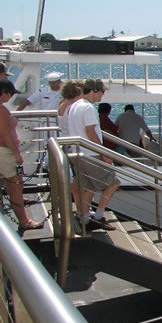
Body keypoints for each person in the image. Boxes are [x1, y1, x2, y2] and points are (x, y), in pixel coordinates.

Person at [66, 79, 119, 231]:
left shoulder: (75, 106)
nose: (103, 95)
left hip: (78, 153)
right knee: (114, 182)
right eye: (102, 92)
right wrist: (103, 152)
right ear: (95, 90)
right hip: (90, 154)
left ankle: (84, 218)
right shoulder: (88, 108)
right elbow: (90, 131)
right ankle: (99, 215)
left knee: (89, 186)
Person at [0, 81, 41, 233]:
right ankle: (24, 221)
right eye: (10, 94)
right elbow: (4, 134)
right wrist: (16, 153)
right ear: (4, 92)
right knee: (15, 185)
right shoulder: (1, 110)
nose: (10, 97)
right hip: (4, 153)